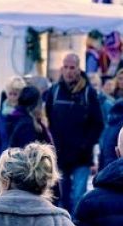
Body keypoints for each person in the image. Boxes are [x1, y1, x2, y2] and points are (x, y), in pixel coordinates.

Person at [42, 52, 105, 215]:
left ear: (79, 69)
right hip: (60, 154)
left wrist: (86, 144)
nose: (69, 71)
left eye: (72, 67)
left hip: (81, 156)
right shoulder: (54, 91)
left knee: (78, 196)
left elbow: (98, 123)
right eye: (66, 67)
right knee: (62, 196)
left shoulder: (88, 93)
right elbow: (48, 118)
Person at [1, 85, 51, 151]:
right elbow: (29, 156)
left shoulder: (21, 119)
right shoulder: (28, 125)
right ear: (35, 105)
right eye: (40, 101)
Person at [0, 76, 26, 161]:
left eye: (15, 94)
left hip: (21, 162)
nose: (12, 97)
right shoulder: (1, 114)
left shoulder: (24, 114)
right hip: (4, 160)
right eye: (10, 93)